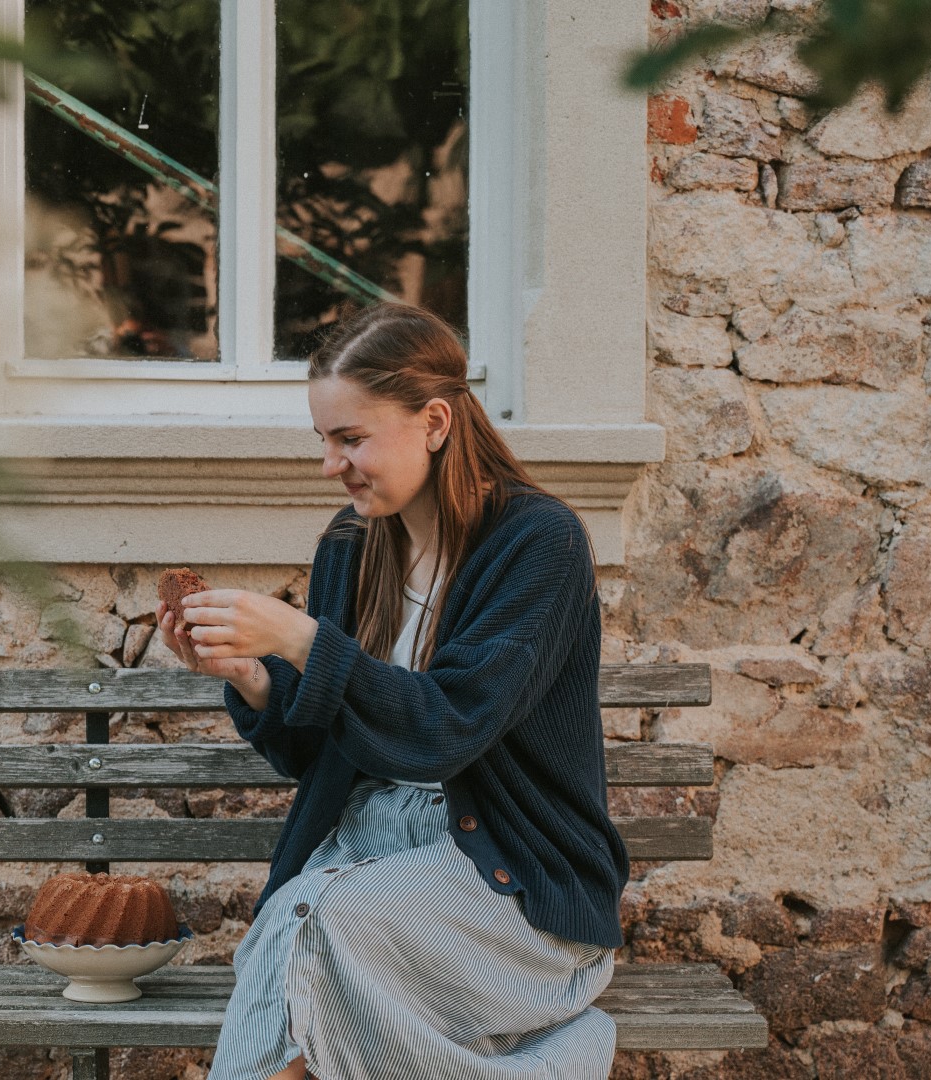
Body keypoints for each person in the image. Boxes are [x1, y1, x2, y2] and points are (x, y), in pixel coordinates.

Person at [154, 302, 630, 1080]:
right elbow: (317, 750)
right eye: (324, 441)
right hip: (366, 845)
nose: (331, 464)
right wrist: (250, 673)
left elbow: (446, 728)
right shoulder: (350, 545)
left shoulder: (538, 545)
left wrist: (300, 638)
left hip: (507, 874)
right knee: (298, 931)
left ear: (435, 421)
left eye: (351, 438)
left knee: (312, 924)